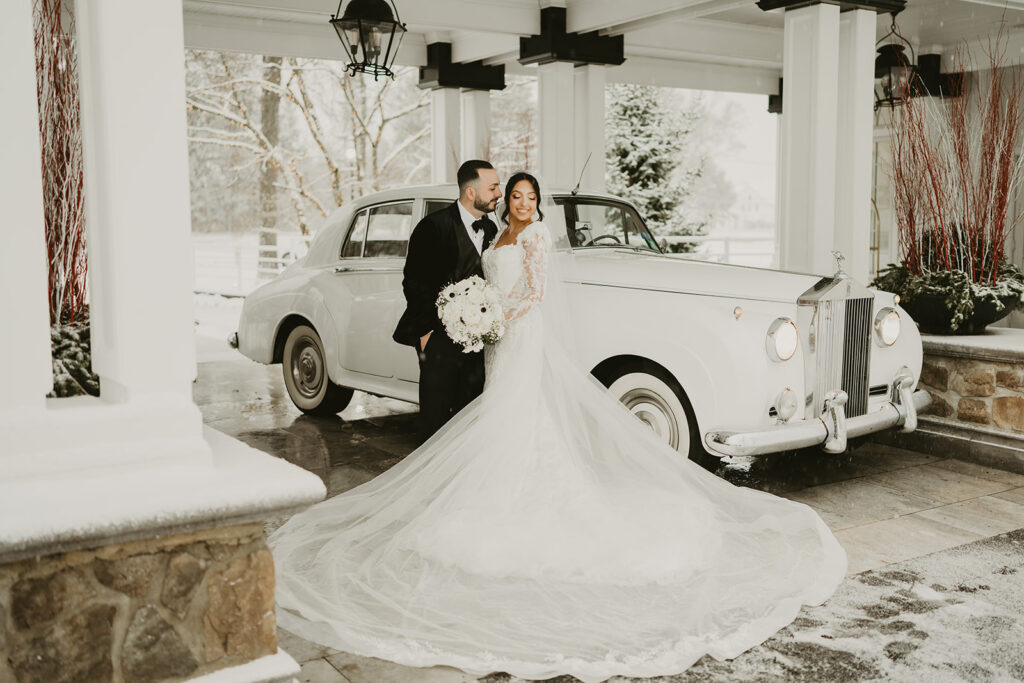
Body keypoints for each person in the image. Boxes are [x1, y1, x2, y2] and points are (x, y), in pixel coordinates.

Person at [271, 172, 847, 683]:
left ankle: (519, 493)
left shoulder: (536, 236)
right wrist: (470, 313)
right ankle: (491, 490)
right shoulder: (490, 234)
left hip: (513, 335)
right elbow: (444, 279)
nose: (515, 201)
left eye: (524, 195)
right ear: (492, 197)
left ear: (536, 204)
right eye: (508, 194)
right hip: (489, 338)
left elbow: (536, 292)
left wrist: (493, 315)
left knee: (522, 415)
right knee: (494, 415)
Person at [393, 160, 501, 443]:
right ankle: (431, 481)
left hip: (478, 340)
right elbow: (414, 282)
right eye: (493, 188)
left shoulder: (491, 230)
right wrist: (427, 334)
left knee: (470, 412)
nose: (498, 193)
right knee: (436, 417)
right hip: (439, 337)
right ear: (469, 191)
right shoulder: (433, 227)